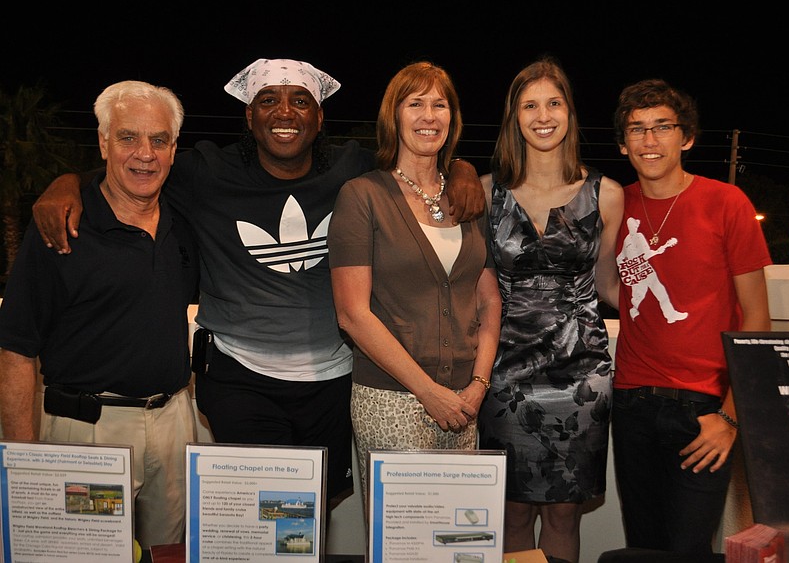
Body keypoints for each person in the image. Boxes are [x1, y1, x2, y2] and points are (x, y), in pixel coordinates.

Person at [29, 58, 485, 514]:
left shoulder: (352, 169)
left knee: (313, 514)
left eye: (300, 101)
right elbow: (137, 168)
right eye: (268, 100)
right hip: (239, 378)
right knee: (270, 514)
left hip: (331, 380)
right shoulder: (206, 171)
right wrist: (66, 184)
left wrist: (461, 168)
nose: (284, 112)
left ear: (319, 116)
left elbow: (414, 166)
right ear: (249, 115)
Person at [0, 80, 199, 550]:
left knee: (168, 553)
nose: (144, 154)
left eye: (158, 140)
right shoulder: (60, 226)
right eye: (128, 137)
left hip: (173, 422)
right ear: (103, 142)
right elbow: (16, 349)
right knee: (83, 555)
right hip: (87, 433)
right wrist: (24, 464)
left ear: (174, 149)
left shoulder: (183, 220)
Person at [611, 78, 772, 556]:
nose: (650, 140)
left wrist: (729, 415)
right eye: (637, 129)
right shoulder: (614, 206)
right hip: (632, 403)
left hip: (704, 408)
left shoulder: (727, 203)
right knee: (644, 548)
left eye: (662, 127)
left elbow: (758, 321)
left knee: (689, 550)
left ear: (687, 137)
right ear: (623, 143)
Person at [327, 61, 501, 501]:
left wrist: (478, 386)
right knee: (400, 538)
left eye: (439, 105)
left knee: (456, 537)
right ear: (395, 116)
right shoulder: (362, 195)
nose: (428, 116)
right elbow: (352, 314)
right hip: (392, 400)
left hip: (464, 402)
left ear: (452, 118)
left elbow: (489, 303)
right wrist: (428, 392)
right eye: (415, 104)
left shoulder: (466, 196)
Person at [476, 56, 624, 563]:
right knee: (512, 510)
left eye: (554, 103)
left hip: (582, 373)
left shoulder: (608, 194)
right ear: (514, 116)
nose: (543, 115)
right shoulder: (484, 190)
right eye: (530, 105)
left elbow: (609, 283)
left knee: (563, 512)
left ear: (570, 112)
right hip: (503, 372)